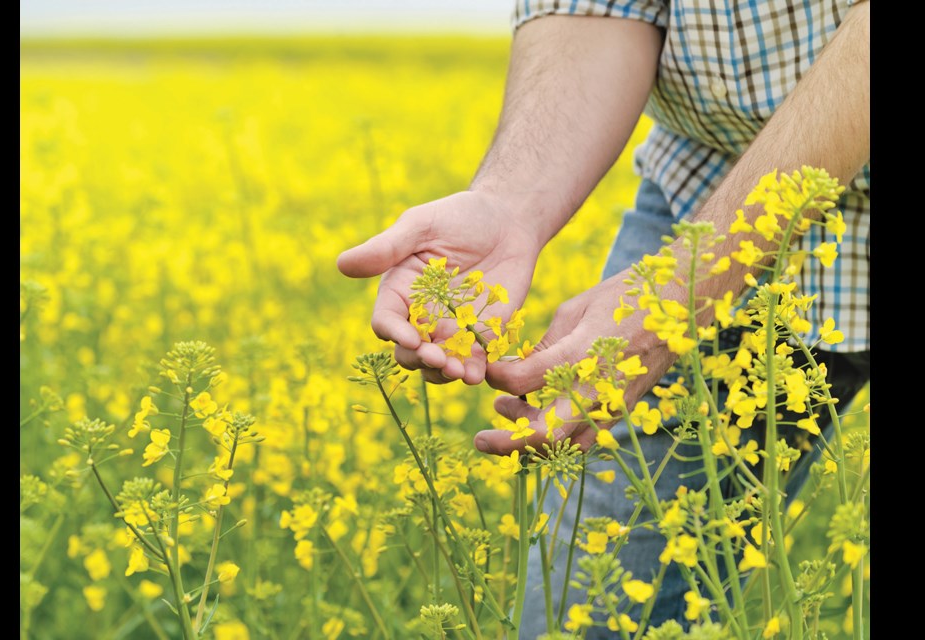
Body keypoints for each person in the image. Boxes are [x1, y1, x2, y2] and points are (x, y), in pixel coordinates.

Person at [337, 0, 869, 636]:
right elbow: (599, 9)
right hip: (713, 188)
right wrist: (509, 203)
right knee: (584, 617)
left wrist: (680, 290)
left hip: (720, 234)